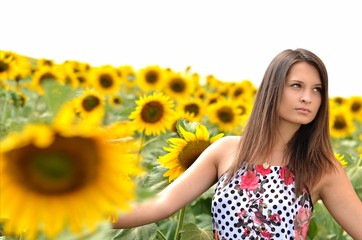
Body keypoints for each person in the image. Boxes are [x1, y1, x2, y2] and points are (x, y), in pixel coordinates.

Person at [112, 48, 362, 239]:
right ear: (273, 89)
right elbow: (161, 204)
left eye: (317, 90)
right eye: (297, 86)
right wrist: (86, 212)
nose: (308, 98)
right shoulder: (227, 150)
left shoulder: (322, 167)